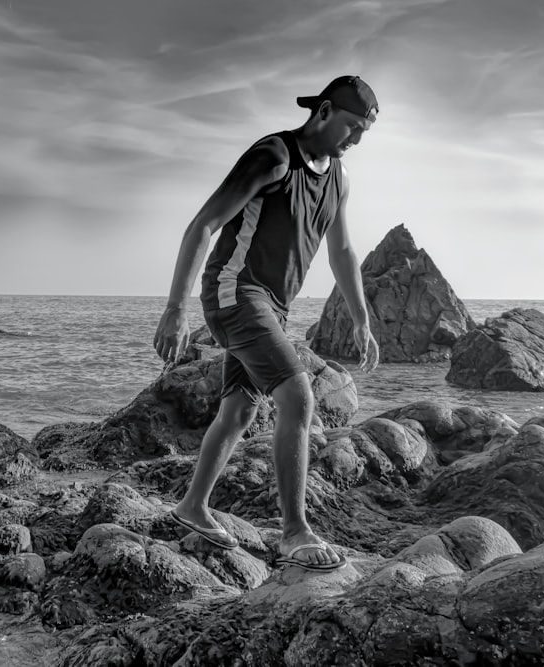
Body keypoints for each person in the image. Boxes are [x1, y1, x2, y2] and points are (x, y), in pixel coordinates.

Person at [153, 75, 381, 571]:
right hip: (235, 292)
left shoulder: (338, 178)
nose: (356, 140)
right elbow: (204, 224)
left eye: (364, 131)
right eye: (351, 127)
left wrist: (361, 318)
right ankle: (294, 532)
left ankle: (192, 507)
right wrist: (177, 308)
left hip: (272, 304)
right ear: (322, 112)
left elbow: (341, 249)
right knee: (298, 395)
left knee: (240, 411)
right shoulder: (273, 158)